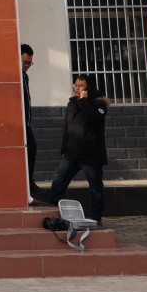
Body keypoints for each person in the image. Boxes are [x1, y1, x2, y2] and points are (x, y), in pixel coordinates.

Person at [40, 74, 110, 223]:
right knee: (59, 180)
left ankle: (97, 217)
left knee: (95, 187)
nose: (77, 88)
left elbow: (94, 118)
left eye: (81, 86)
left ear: (88, 88)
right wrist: (64, 148)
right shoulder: (72, 103)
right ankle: (48, 208)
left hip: (90, 154)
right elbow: (67, 127)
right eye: (75, 85)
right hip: (72, 153)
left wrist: (84, 100)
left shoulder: (99, 103)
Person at [21, 43, 38, 192]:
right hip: (17, 123)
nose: (27, 66)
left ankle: (28, 181)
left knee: (31, 148)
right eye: (25, 62)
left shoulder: (24, 76)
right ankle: (25, 182)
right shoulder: (14, 77)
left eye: (29, 63)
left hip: (26, 122)